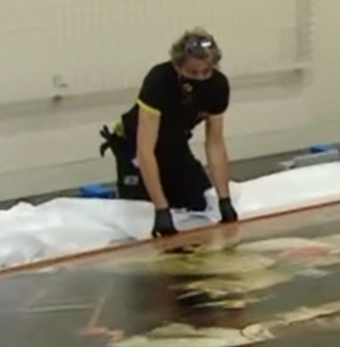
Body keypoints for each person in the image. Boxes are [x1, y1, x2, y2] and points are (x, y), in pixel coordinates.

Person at [99, 28, 239, 237]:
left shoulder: (217, 85)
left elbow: (215, 144)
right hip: (134, 145)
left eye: (206, 72)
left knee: (196, 203)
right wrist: (160, 209)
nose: (200, 78)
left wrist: (224, 199)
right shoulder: (160, 81)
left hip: (174, 144)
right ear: (177, 65)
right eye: (192, 73)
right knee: (142, 216)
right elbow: (145, 150)